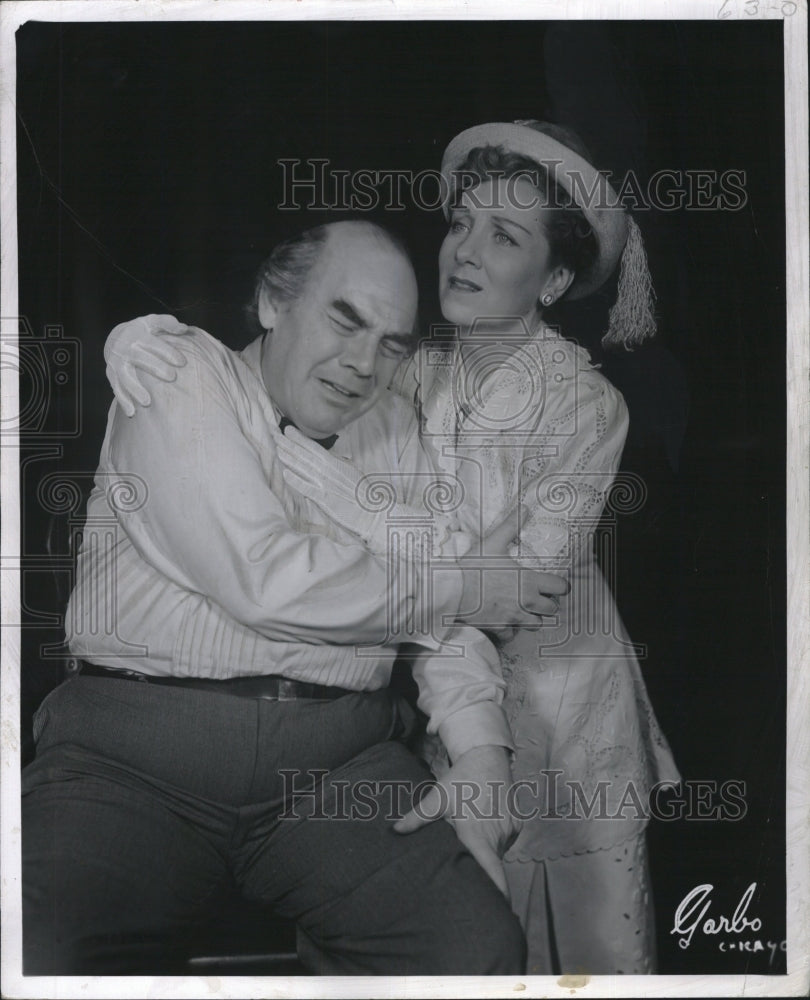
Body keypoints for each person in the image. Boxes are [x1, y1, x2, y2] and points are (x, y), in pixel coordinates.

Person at [114, 121, 680, 975]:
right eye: (461, 223)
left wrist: (351, 501)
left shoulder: (585, 405)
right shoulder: (407, 361)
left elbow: (519, 592)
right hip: (436, 683)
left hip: (560, 705)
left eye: (505, 236)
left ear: (556, 279)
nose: (465, 251)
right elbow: (271, 398)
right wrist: (146, 342)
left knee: (572, 953)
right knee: (428, 932)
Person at [23, 219, 574, 976]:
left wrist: (482, 753)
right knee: (42, 952)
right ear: (272, 303)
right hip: (131, 766)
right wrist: (463, 584)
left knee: (473, 951)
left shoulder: (394, 429)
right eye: (344, 321)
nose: (362, 365)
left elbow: (440, 617)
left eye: (391, 345)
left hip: (337, 769)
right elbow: (266, 578)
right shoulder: (179, 373)